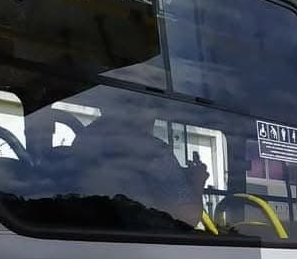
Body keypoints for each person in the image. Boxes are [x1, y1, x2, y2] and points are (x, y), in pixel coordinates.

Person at [68, 90, 209, 229]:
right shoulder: (153, 150)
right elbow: (187, 218)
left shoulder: (84, 139)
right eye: (154, 106)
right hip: (142, 240)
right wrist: (197, 181)